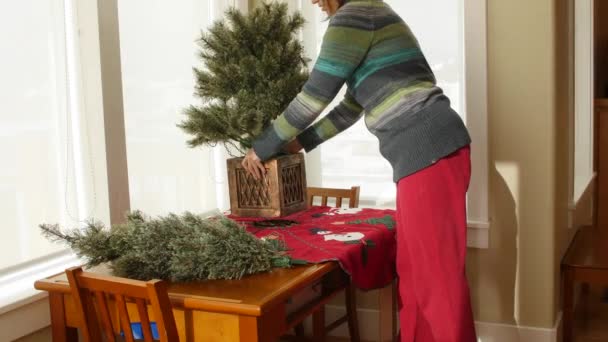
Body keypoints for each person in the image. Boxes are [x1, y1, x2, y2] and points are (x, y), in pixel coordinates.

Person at [241, 0, 477, 340]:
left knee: (436, 278)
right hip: (423, 156)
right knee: (412, 271)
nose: (312, 1)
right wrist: (299, 143)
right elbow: (349, 108)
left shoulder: (355, 15)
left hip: (429, 151)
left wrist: (262, 146)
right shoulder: (368, 15)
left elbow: (314, 96)